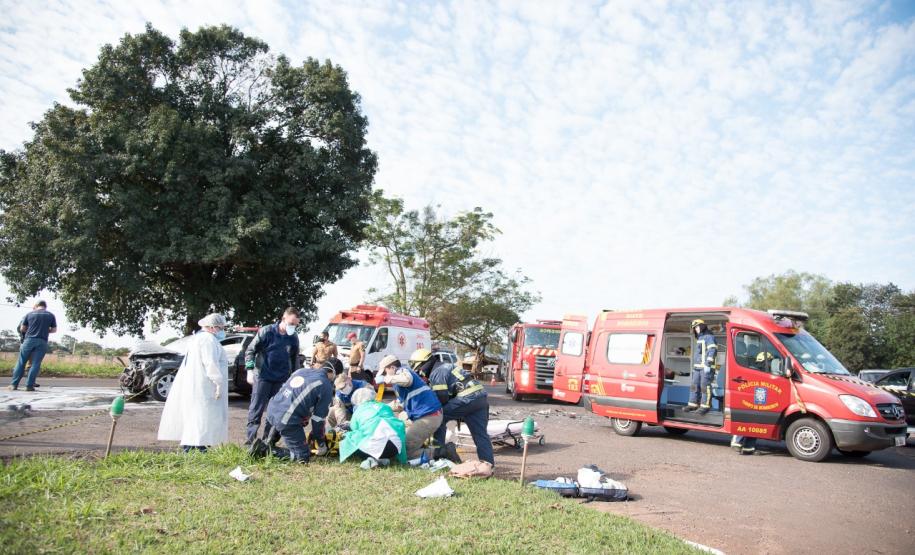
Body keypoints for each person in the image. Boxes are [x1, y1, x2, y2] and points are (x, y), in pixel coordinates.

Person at [157, 313, 229, 452]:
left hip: (197, 385)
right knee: (203, 418)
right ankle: (197, 449)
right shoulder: (208, 340)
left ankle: (192, 448)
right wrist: (218, 382)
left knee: (196, 418)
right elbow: (210, 363)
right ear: (213, 327)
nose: (222, 331)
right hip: (205, 386)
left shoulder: (198, 339)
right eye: (220, 327)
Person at [423, 349, 494, 465]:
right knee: (481, 436)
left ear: (422, 364)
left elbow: (441, 399)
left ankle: (438, 455)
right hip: (480, 397)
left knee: (439, 416)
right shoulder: (447, 366)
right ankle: (488, 466)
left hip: (466, 398)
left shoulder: (437, 372)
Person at [251, 365, 334, 463]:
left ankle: (269, 442)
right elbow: (318, 419)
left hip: (272, 409)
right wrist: (320, 442)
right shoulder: (325, 385)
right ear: (332, 373)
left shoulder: (300, 371)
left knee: (283, 417)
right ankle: (263, 450)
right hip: (286, 419)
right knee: (302, 457)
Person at [243, 307, 301, 445]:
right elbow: (250, 350)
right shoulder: (266, 331)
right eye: (291, 323)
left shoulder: (293, 337)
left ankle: (267, 442)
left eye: (296, 324)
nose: (293, 327)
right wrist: (250, 370)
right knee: (256, 408)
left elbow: (295, 359)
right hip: (263, 376)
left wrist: (295, 377)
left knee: (275, 410)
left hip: (281, 379)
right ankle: (250, 441)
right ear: (283, 319)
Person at [376, 355, 442, 460]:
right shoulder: (399, 383)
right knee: (398, 427)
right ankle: (423, 447)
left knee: (404, 451)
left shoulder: (403, 371)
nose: (384, 376)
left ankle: (442, 453)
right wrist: (379, 407)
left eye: (385, 372)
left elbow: (407, 380)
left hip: (428, 417)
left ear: (392, 368)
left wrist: (386, 378)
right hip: (424, 416)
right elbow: (400, 404)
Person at [339, 388, 408, 465]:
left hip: (374, 447)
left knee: (350, 437)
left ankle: (374, 459)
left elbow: (354, 429)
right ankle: (382, 459)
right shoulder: (385, 407)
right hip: (394, 448)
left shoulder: (359, 410)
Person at [8, 300, 57, 392]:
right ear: (45, 306)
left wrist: (31, 331)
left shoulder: (29, 314)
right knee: (35, 364)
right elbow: (54, 330)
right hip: (42, 341)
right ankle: (29, 386)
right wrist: (45, 330)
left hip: (29, 340)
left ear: (37, 305)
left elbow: (22, 328)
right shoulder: (50, 315)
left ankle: (14, 385)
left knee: (21, 362)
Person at [685, 319, 717, 415]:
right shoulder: (700, 337)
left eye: (697, 327)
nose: (696, 329)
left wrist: (708, 364)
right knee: (694, 386)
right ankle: (693, 404)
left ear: (702, 326)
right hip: (698, 367)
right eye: (694, 328)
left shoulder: (709, 336)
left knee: (704, 386)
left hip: (705, 367)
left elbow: (712, 350)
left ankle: (705, 406)